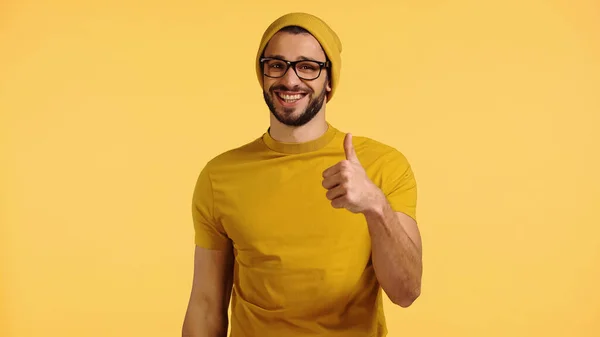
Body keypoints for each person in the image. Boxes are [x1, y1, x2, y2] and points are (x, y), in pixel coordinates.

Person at [182, 12, 423, 337]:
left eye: (308, 67)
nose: (290, 80)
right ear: (263, 74)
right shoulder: (219, 175)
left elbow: (406, 292)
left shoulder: (382, 165)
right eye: (277, 65)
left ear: (329, 81)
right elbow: (206, 304)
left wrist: (374, 205)